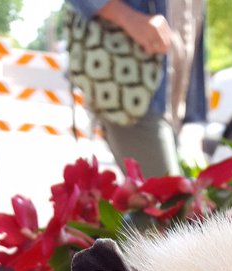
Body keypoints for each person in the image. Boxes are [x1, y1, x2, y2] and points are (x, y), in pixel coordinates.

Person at [66, 0, 203, 176]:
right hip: (132, 84)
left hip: (168, 95)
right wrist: (128, 17)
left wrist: (194, 116)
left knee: (166, 196)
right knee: (169, 197)